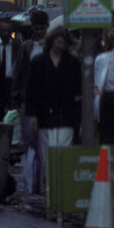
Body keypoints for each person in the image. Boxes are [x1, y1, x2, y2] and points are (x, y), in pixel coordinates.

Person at [25, 27, 80, 191]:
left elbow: (78, 90)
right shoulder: (38, 62)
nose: (60, 43)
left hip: (66, 114)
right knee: (47, 153)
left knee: (63, 150)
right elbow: (32, 89)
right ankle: (51, 186)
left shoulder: (73, 63)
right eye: (58, 40)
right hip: (45, 114)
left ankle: (61, 187)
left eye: (63, 41)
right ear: (52, 41)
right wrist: (33, 114)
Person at [11, 9, 49, 194]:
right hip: (28, 98)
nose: (39, 31)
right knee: (31, 142)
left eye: (41, 27)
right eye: (36, 27)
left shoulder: (51, 46)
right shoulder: (26, 47)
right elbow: (18, 73)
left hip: (47, 100)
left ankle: (41, 182)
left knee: (44, 141)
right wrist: (17, 99)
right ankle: (33, 184)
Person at [94, 23, 114, 145]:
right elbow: (97, 85)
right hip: (108, 101)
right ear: (113, 42)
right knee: (107, 137)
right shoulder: (102, 59)